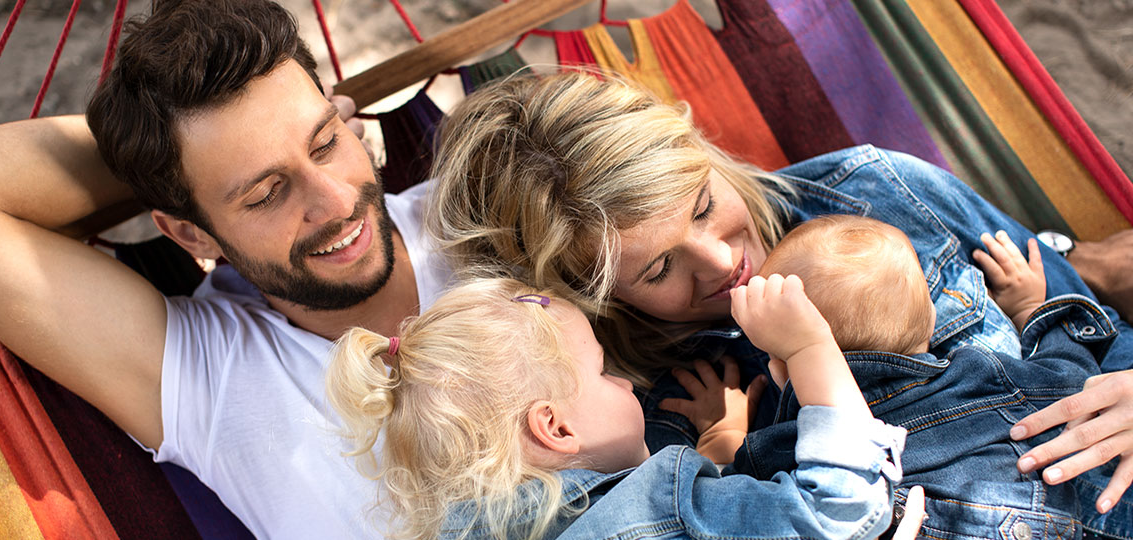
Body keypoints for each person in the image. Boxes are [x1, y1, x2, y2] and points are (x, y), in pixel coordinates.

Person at [427, 71, 1133, 526]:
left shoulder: (877, 190)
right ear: (597, 298)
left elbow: (1098, 335)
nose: (722, 262)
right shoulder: (651, 413)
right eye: (660, 268)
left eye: (703, 205)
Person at [0, 1, 451, 537]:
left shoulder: (482, 209)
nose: (337, 201)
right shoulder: (214, 377)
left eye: (325, 143)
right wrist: (169, 162)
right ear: (191, 234)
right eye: (267, 193)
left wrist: (255, 142)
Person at [327, 276, 906, 539]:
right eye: (604, 372)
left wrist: (716, 453)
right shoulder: (656, 509)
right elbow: (836, 514)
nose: (629, 384)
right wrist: (810, 349)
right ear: (555, 427)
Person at [675, 214, 1107, 536]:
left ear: (782, 367)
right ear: (932, 319)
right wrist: (1030, 308)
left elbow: (734, 512)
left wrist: (721, 435)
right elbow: (1071, 380)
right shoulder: (981, 375)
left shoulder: (785, 446)